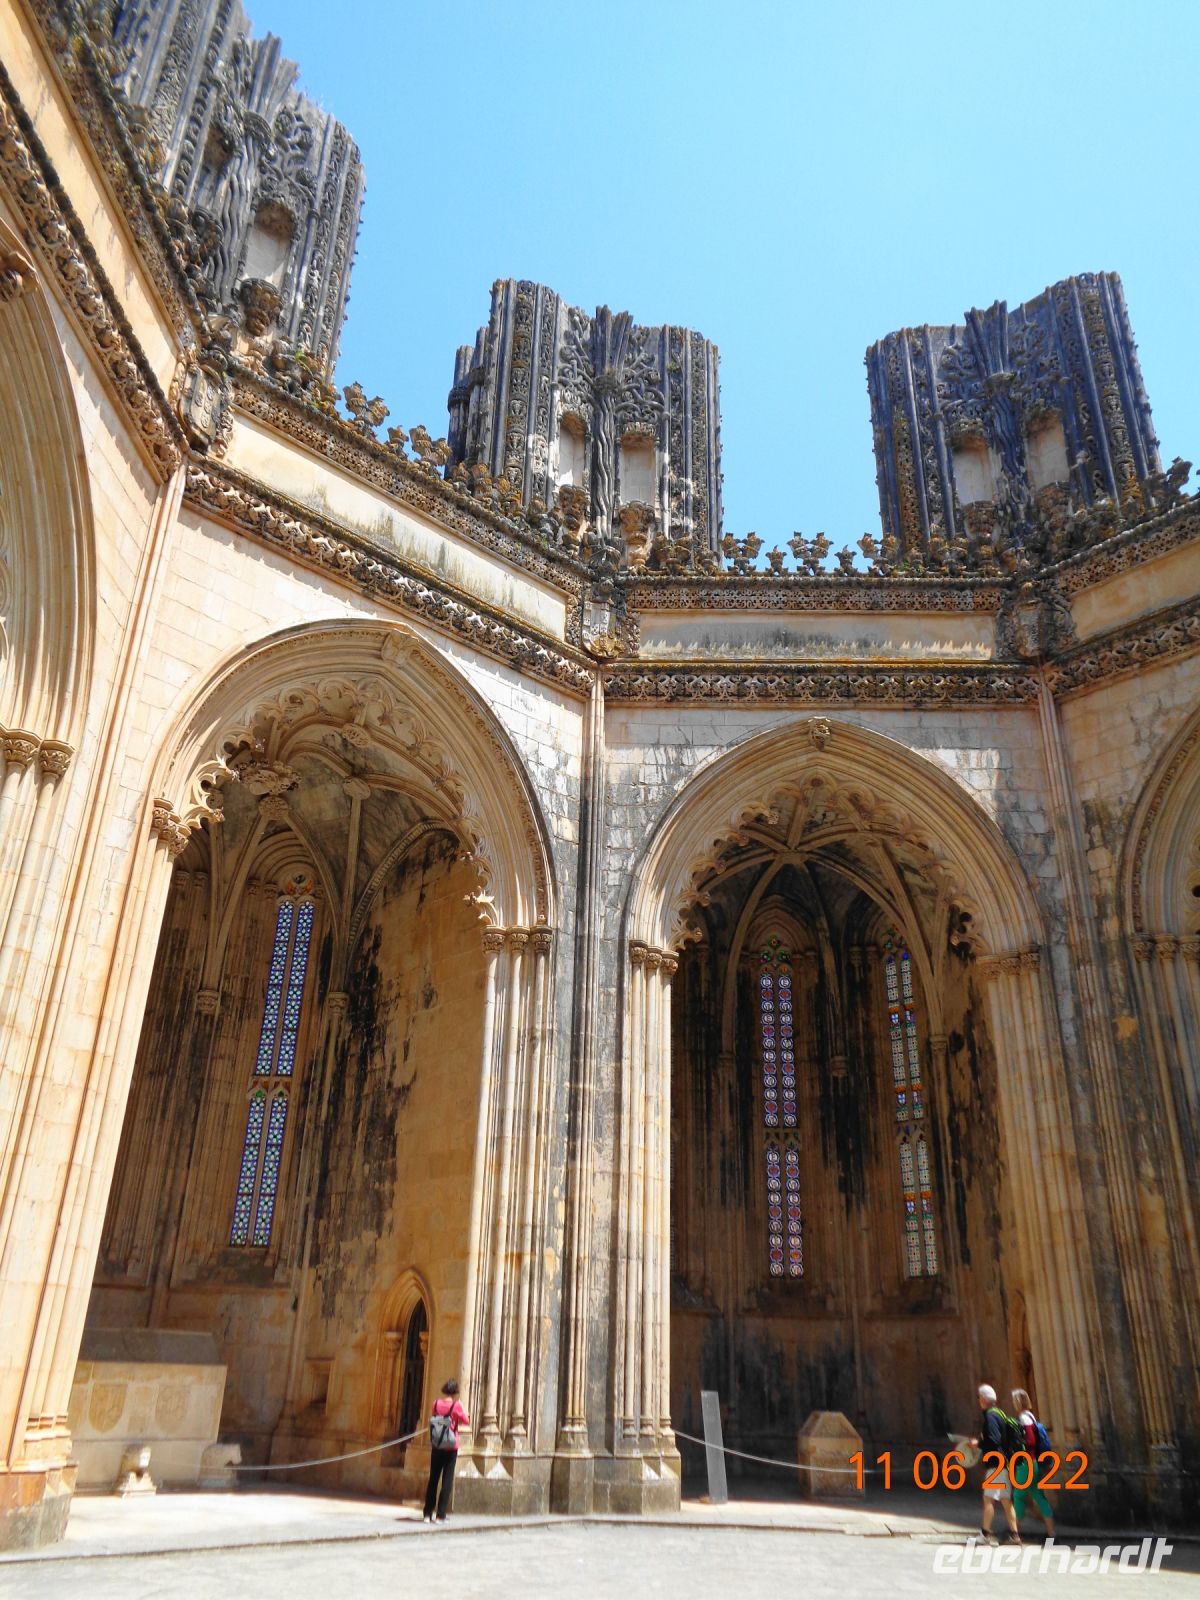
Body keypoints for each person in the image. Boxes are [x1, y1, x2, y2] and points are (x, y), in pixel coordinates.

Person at [970, 1383, 1021, 1545]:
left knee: (988, 1499)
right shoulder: (1000, 1414)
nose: (979, 1401)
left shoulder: (991, 1416)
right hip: (1004, 1463)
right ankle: (1015, 1535)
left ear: (984, 1399)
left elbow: (994, 1439)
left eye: (979, 1398)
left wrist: (978, 1443)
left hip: (996, 1464)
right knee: (1006, 1500)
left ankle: (985, 1535)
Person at [1011, 1387, 1056, 1539]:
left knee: (1018, 1496)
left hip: (1026, 1463)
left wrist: (1019, 1449)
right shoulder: (1031, 1416)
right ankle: (1051, 1533)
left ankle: (1015, 1533)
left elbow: (1029, 1440)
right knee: (1038, 1495)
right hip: (1034, 1462)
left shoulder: (1024, 1419)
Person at [423, 1379, 469, 1524]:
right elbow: (466, 1421)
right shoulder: (456, 1406)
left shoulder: (436, 1403)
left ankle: (427, 1513)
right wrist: (460, 1411)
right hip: (451, 1446)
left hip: (437, 1445)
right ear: (455, 1392)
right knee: (447, 1481)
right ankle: (440, 1515)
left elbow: (436, 1419)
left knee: (433, 1479)